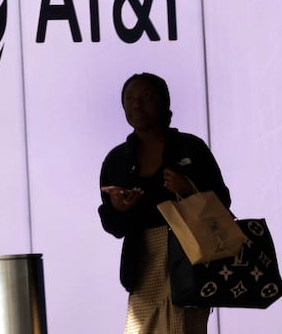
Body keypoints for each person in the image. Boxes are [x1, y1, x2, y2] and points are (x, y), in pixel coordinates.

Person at [99, 72, 231, 334]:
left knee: (186, 327)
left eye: (146, 97)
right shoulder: (117, 160)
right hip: (143, 264)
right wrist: (119, 209)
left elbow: (222, 202)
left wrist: (188, 190)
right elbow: (113, 226)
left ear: (164, 103)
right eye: (129, 99)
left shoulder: (190, 148)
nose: (137, 105)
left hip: (191, 260)